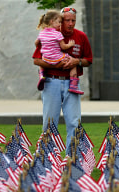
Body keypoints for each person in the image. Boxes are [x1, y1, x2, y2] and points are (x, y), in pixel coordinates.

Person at [32, 6, 93, 154]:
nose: (71, 23)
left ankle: (72, 158)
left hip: (71, 83)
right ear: (59, 21)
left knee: (74, 122)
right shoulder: (50, 34)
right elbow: (36, 60)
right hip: (51, 82)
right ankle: (46, 158)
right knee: (49, 122)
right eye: (67, 20)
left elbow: (88, 60)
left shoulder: (81, 36)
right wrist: (57, 65)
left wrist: (76, 62)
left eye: (73, 20)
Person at [35, 10, 83, 94]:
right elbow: (63, 46)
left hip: (45, 58)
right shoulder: (57, 34)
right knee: (72, 62)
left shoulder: (42, 33)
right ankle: (73, 85)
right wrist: (70, 44)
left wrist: (43, 48)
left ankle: (41, 75)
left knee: (41, 63)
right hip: (57, 58)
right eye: (59, 22)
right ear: (52, 21)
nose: (60, 24)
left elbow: (36, 43)